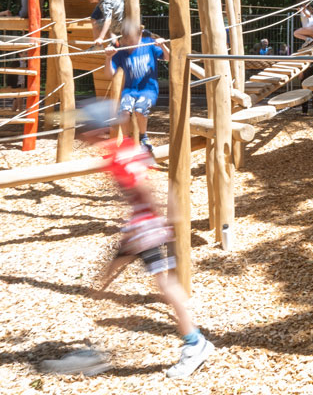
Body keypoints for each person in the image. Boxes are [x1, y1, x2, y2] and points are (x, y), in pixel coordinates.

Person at [42, 136, 213, 379]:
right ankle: (98, 350)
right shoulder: (119, 153)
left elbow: (143, 189)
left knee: (165, 286)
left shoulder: (122, 159)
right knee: (105, 282)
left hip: (145, 231)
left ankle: (195, 343)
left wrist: (157, 217)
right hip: (138, 230)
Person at [105, 20, 169, 151]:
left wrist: (163, 46)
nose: (128, 41)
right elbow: (109, 74)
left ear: (139, 35)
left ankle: (143, 137)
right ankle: (126, 141)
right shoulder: (122, 52)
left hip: (148, 89)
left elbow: (168, 57)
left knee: (140, 110)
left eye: (131, 38)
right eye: (125, 38)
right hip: (130, 90)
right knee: (124, 112)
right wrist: (108, 57)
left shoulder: (149, 45)